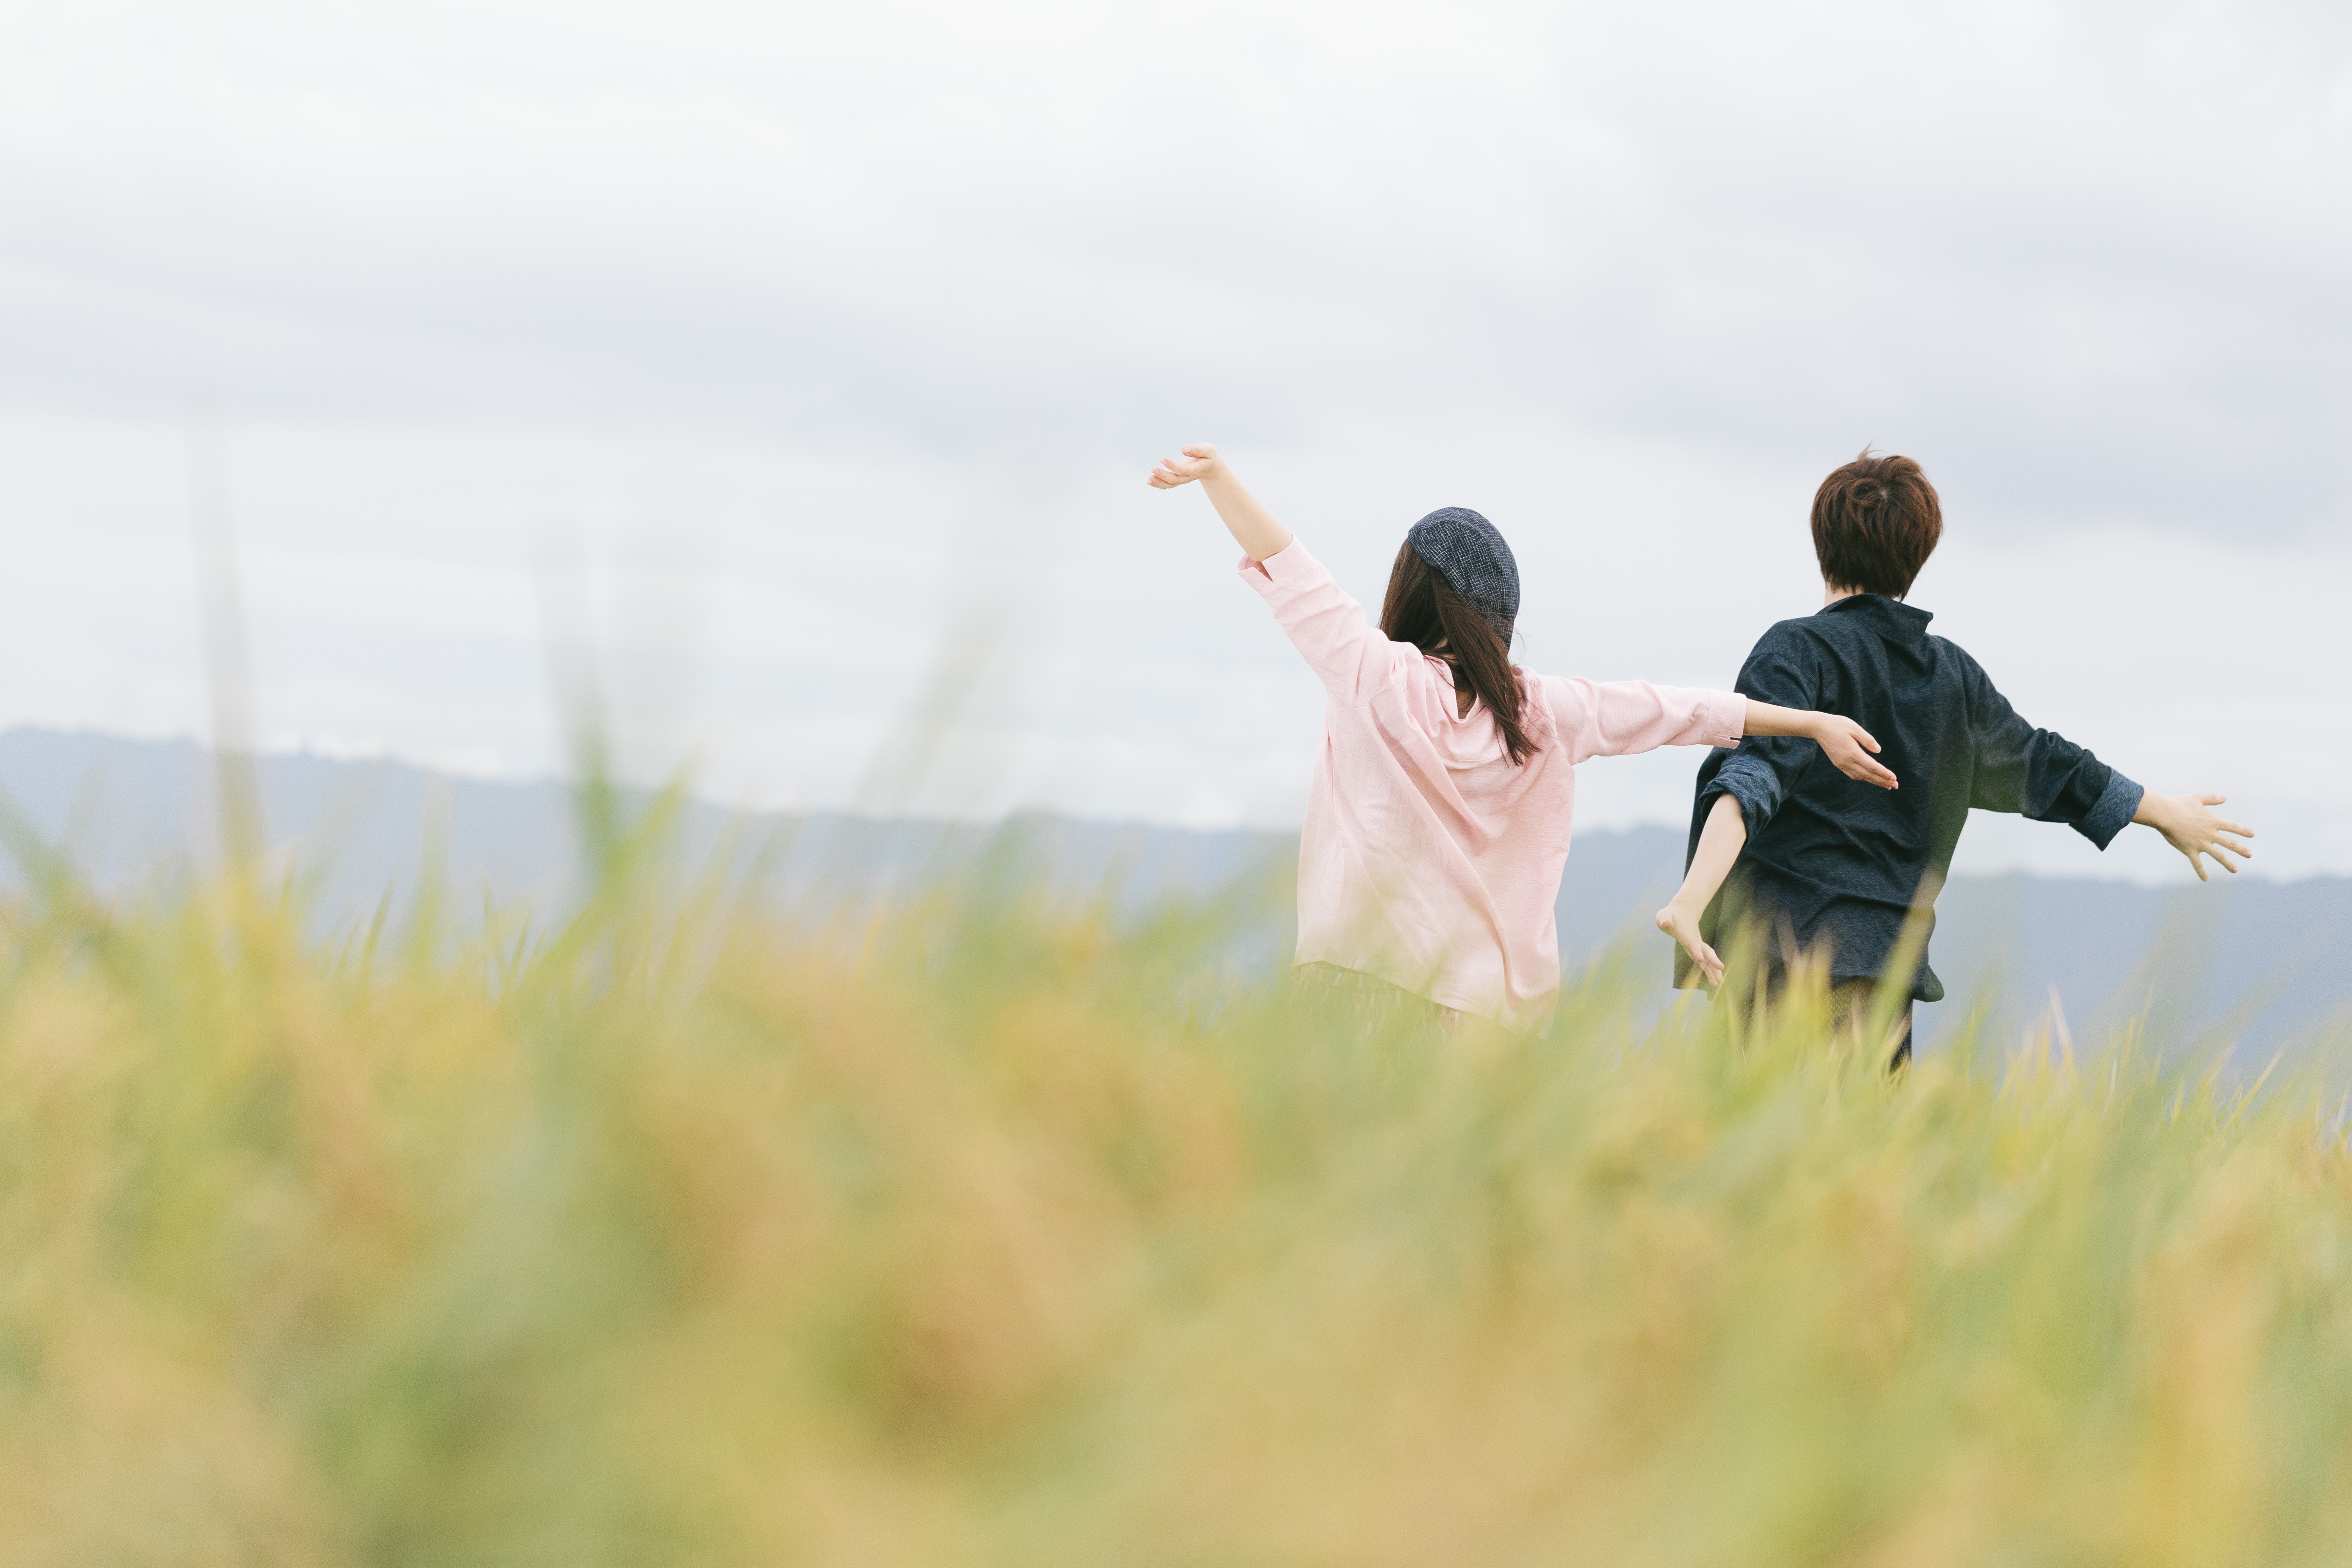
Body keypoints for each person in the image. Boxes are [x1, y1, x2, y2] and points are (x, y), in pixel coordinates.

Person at [1149, 442, 1896, 1035]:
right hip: (1484, 1021)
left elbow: (1294, 569)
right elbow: (1679, 709)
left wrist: (1217, 476)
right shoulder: (1546, 711)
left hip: (1357, 987)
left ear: (1412, 589)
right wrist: (1810, 721)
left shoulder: (1377, 675)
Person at [1654, 449, 2254, 1067]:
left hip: (1780, 959)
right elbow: (2045, 765)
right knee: (1865, 1156)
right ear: (1919, 555)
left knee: (1767, 1152)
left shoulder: (1796, 650)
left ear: (1821, 542)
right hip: (1885, 971)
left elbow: (1753, 776)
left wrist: (1690, 901)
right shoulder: (1952, 677)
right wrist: (2164, 812)